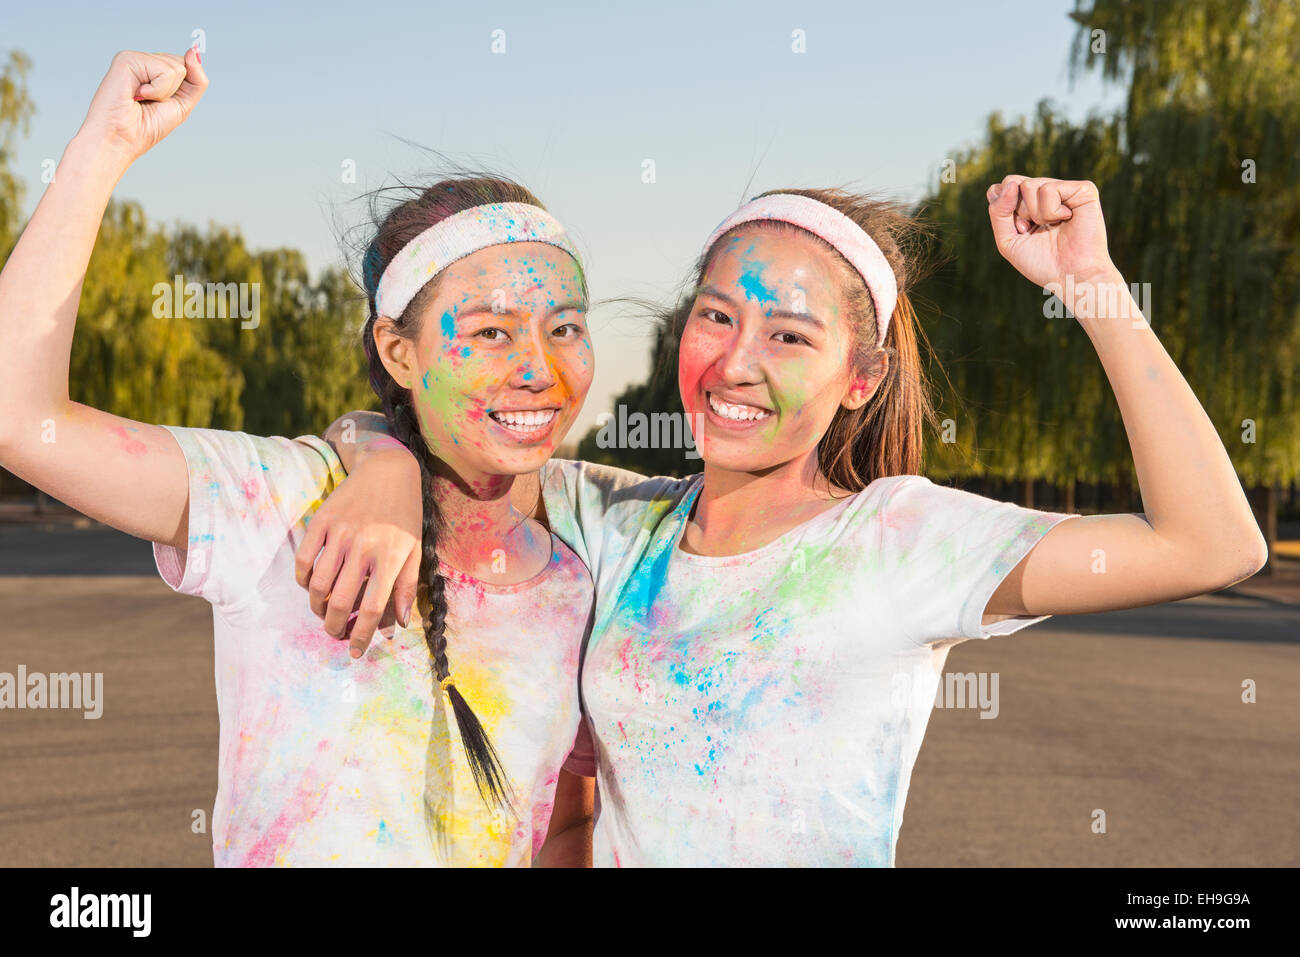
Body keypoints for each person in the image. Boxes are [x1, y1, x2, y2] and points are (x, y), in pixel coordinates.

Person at [296, 183, 1266, 866]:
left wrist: (1090, 284)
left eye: (789, 336)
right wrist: (375, 454)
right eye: (717, 318)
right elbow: (453, 428)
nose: (736, 364)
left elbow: (1212, 544)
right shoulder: (618, 520)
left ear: (862, 377)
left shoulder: (899, 539)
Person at [0, 46, 599, 866]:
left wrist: (378, 449)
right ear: (397, 352)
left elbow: (569, 822)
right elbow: (17, 416)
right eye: (490, 330)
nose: (539, 367)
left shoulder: (592, 551)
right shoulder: (282, 498)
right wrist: (101, 149)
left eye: (564, 326)